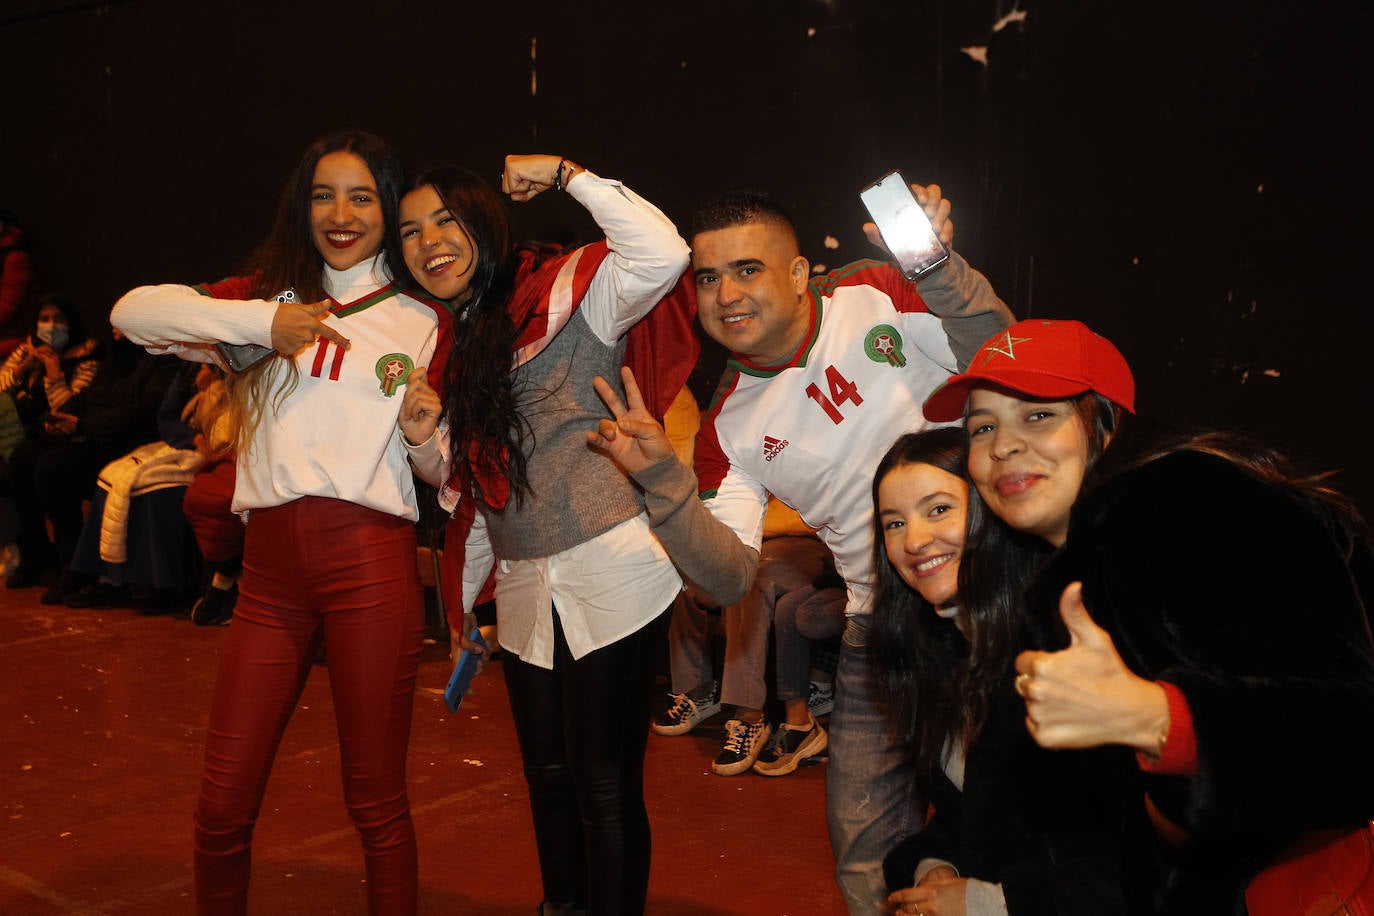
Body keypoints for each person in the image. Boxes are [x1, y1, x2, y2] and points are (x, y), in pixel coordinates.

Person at [585, 184, 1014, 911]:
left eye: (748, 269)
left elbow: (1000, 352)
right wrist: (664, 479)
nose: (726, 293)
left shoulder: (875, 290)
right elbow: (726, 579)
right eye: (709, 277)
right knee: (865, 857)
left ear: (798, 272)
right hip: (877, 636)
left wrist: (937, 267)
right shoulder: (729, 428)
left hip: (998, 610)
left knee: (1017, 833)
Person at [921, 318, 1374, 912]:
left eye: (1038, 415)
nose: (1002, 445)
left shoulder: (1185, 500)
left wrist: (1156, 717)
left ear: (1105, 426)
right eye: (983, 427)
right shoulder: (1056, 575)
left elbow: (1353, 736)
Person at [111, 130, 448, 914]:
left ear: (387, 207)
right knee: (222, 803)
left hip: (371, 565)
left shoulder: (424, 319)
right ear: (301, 205)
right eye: (323, 194)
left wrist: (426, 438)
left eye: (362, 196)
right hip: (267, 576)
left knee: (376, 802)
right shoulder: (262, 300)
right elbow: (130, 314)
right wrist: (265, 325)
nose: (341, 213)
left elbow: (440, 472)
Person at [395, 155, 694, 915]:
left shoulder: (568, 295)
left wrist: (568, 175)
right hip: (528, 583)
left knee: (602, 779)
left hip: (614, 569)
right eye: (408, 231)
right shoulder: (454, 349)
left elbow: (664, 253)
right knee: (547, 774)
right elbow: (471, 483)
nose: (427, 241)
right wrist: (426, 439)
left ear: (485, 223)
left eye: (444, 220)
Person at [871, 427, 1155, 915]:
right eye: (893, 523)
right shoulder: (944, 653)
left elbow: (1144, 860)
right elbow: (980, 817)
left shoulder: (1064, 651)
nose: (914, 540)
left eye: (938, 509)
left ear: (994, 508)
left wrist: (989, 903)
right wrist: (935, 867)